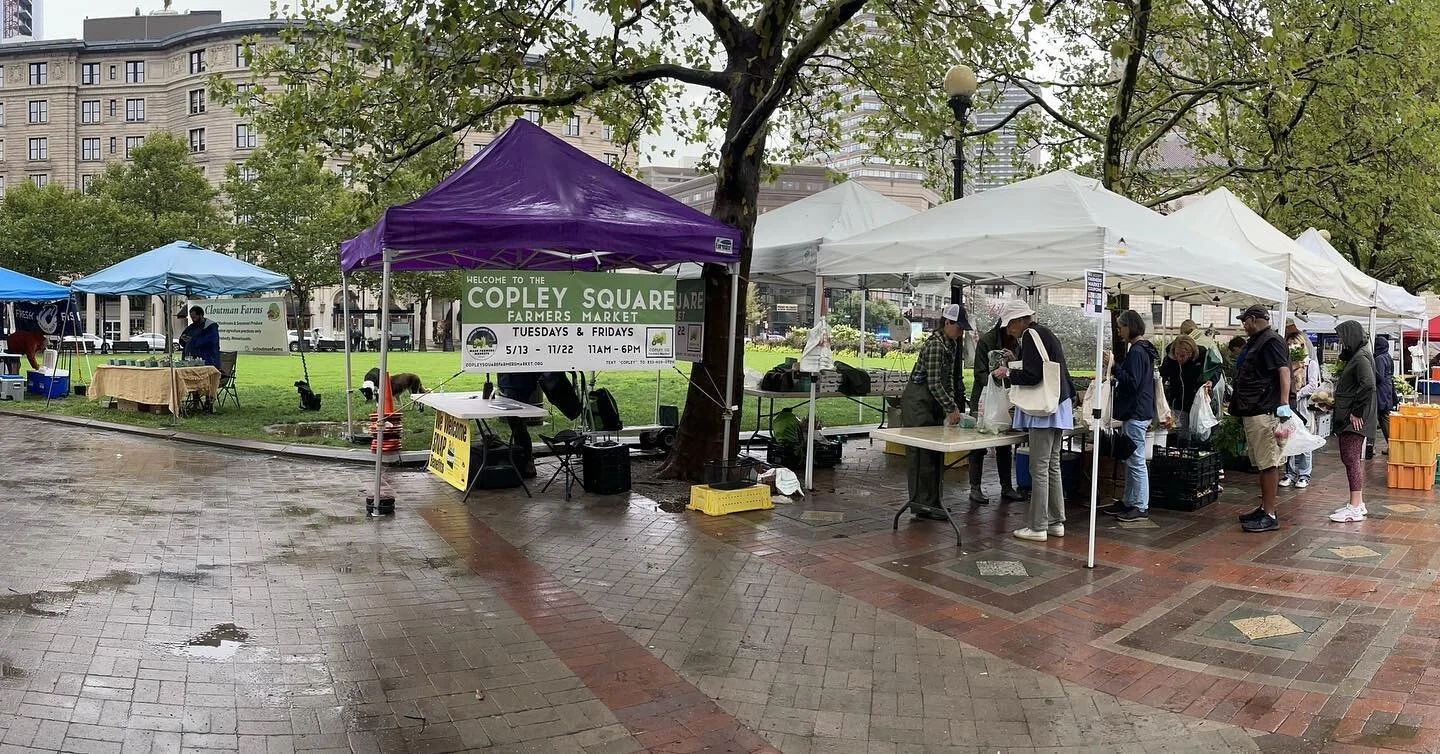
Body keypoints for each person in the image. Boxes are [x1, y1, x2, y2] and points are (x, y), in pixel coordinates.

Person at [992, 300, 1075, 542]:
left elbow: (1032, 374)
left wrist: (1007, 372)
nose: (1009, 331)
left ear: (1019, 320)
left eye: (1010, 326)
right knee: (1052, 465)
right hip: (1059, 404)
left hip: (1043, 410)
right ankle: (1055, 521)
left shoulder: (1030, 335)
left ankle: (1037, 525)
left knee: (1038, 467)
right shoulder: (1046, 333)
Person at [899, 303, 969, 521]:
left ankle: (933, 501)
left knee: (935, 453)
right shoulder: (935, 345)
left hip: (934, 402)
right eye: (959, 327)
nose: (961, 332)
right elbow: (933, 382)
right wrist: (950, 407)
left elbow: (946, 380)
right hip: (918, 402)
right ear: (947, 322)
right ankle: (921, 505)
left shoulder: (951, 344)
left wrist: (952, 404)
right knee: (920, 454)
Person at [1231, 305, 1292, 533]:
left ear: (1254, 319)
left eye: (1244, 321)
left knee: (1268, 463)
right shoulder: (1260, 340)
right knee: (1262, 462)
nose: (1243, 325)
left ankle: (1269, 513)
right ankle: (1263, 508)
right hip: (1254, 409)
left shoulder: (1271, 341)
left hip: (1264, 411)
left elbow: (1284, 371)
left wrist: (1284, 403)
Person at [1101, 310, 1158, 522]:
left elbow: (1132, 382)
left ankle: (1140, 505)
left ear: (1129, 326)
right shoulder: (1145, 350)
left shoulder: (1136, 351)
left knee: (1135, 460)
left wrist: (1114, 366)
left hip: (1135, 412)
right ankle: (1129, 501)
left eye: (1120, 327)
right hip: (1139, 411)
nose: (1119, 331)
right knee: (1132, 459)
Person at [967, 315, 1022, 505]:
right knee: (979, 443)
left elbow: (1020, 368)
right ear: (1009, 325)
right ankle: (975, 487)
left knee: (1004, 442)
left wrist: (1012, 362)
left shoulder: (1016, 342)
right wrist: (996, 377)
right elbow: (979, 374)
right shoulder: (987, 341)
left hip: (1004, 398)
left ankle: (1006, 486)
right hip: (984, 398)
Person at [1329, 320, 1376, 522]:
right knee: (1351, 459)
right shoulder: (1359, 355)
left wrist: (1356, 412)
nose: (1341, 341)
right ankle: (1357, 503)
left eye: (1342, 337)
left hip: (1355, 419)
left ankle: (1355, 507)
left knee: (1351, 459)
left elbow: (1368, 385)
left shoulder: (1361, 357)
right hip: (1353, 416)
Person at [1281, 323, 1320, 488]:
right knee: (1289, 438)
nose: (1292, 347)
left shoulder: (1310, 364)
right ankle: (1289, 473)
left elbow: (1313, 385)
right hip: (1289, 407)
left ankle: (1304, 474)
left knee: (1305, 440)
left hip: (1303, 406)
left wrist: (1296, 394)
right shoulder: (1286, 363)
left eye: (1295, 343)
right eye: (1289, 344)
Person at [1159, 335, 1218, 442]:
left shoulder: (1203, 355)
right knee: (1182, 432)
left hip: (1198, 399)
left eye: (1182, 356)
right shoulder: (1171, 359)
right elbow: (1163, 372)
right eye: (1177, 354)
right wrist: (1171, 360)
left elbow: (1216, 369)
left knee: (1200, 431)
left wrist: (1211, 381)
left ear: (1190, 354)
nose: (1179, 358)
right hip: (1179, 400)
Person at [497, 372, 541, 478]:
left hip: (519, 382)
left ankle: (527, 461)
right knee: (515, 423)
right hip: (508, 381)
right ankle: (522, 460)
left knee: (517, 422)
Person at [1374, 334, 1396, 453]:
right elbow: (1390, 373)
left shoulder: (1379, 358)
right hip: (1387, 390)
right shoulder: (1388, 356)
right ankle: (1392, 445)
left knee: (1379, 417)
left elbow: (1379, 377)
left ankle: (1370, 447)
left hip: (1381, 392)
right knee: (1385, 418)